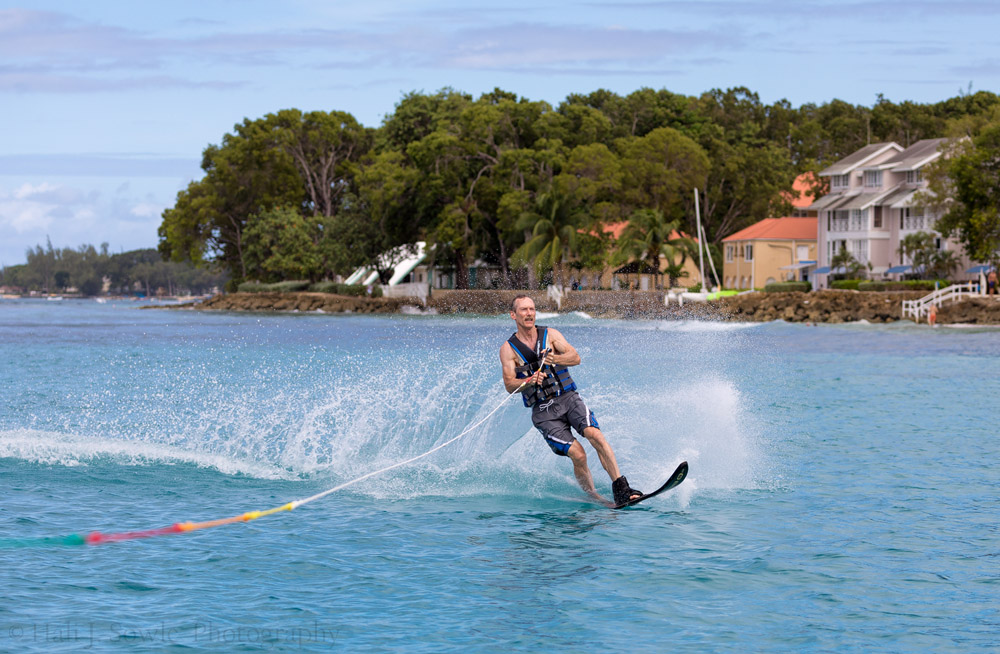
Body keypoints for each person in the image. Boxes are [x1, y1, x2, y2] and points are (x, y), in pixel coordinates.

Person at [499, 294, 642, 505]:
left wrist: (554, 358)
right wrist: (529, 380)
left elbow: (575, 358)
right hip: (544, 412)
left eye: (532, 309)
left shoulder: (551, 335)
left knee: (595, 435)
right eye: (523, 310)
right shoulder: (508, 349)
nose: (529, 313)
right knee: (579, 454)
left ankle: (622, 489)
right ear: (513, 315)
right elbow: (509, 385)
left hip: (568, 398)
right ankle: (594, 497)